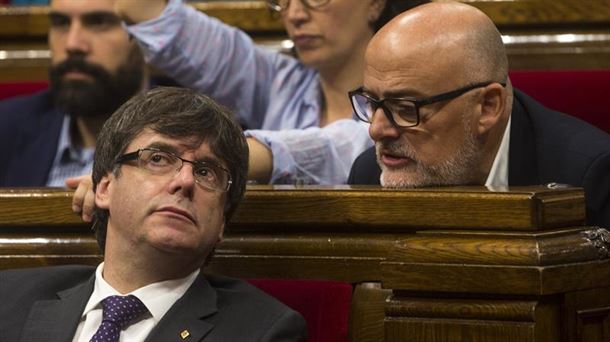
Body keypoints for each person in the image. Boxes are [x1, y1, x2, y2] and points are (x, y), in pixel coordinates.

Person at [0, 87, 307, 341]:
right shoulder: (8, 298)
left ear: (222, 223)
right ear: (104, 188)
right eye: (158, 159)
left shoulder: (263, 331)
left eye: (207, 172)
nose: (185, 181)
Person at [347, 1, 610, 227]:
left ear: (487, 107)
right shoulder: (370, 175)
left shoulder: (590, 179)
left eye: (405, 108)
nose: (376, 130)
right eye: (371, 103)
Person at [112, 0, 427, 185]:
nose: (295, 15)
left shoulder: (416, 90)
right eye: (283, 1)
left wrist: (195, 157)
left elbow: (343, 144)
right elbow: (145, 11)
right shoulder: (281, 80)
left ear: (374, 3)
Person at [0, 0, 149, 187]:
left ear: (146, 33)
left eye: (99, 22)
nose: (72, 44)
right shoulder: (6, 127)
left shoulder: (189, 136)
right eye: (61, 23)